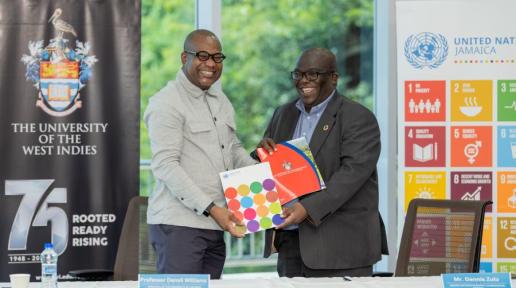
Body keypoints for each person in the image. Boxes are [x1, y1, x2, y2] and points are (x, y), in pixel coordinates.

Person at [257, 48, 388, 277]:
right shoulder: (283, 113)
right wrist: (260, 153)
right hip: (291, 244)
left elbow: (351, 176)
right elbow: (276, 168)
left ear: (334, 78)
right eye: (298, 74)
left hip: (341, 249)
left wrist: (306, 209)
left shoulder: (358, 117)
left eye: (313, 74)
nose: (303, 81)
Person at [144, 29, 256, 279]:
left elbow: (233, 149)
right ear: (185, 58)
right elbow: (166, 166)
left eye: (217, 58)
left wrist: (265, 176)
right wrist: (213, 209)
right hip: (179, 227)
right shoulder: (166, 103)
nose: (210, 64)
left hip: (215, 226)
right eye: (202, 56)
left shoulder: (221, 100)